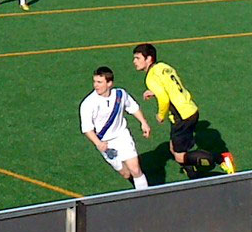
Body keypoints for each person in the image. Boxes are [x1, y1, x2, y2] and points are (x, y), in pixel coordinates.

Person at [132, 43, 235, 180]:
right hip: (190, 109)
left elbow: (164, 99)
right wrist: (154, 92)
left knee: (179, 156)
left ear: (149, 59)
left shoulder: (150, 77)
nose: (134, 62)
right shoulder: (164, 67)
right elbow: (172, 85)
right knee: (173, 148)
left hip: (181, 116)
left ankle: (221, 158)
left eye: (138, 58)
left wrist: (160, 115)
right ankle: (193, 175)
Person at [81, 66, 151, 189]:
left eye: (99, 82)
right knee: (126, 173)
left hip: (122, 136)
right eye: (95, 82)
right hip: (105, 143)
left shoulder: (120, 94)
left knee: (135, 169)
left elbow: (133, 107)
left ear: (109, 83)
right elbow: (87, 128)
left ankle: (146, 199)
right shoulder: (88, 103)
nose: (96, 85)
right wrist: (98, 143)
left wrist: (143, 122)